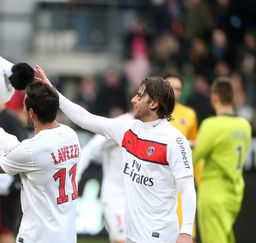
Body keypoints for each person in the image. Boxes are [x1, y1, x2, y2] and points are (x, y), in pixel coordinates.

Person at [35, 65, 196, 243]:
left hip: (160, 236)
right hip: (133, 234)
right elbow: (86, 119)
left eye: (140, 95)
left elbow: (187, 188)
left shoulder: (175, 141)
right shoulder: (127, 129)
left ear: (154, 103)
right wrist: (53, 91)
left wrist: (186, 231)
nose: (133, 100)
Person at [0, 82, 81, 243]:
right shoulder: (70, 134)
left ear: (31, 112)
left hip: (38, 235)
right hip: (67, 234)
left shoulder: (31, 150)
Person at [192, 78, 252, 243]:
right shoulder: (244, 125)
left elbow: (192, 159)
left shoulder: (211, 125)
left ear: (214, 98)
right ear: (233, 98)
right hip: (234, 193)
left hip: (213, 192)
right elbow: (224, 148)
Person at [77, 112, 133, 243]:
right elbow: (89, 150)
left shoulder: (152, 126)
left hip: (138, 196)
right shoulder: (118, 125)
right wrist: (74, 179)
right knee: (121, 239)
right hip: (116, 195)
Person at [0, 104, 27, 243]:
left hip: (5, 185)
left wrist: (14, 182)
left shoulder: (11, 120)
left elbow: (21, 150)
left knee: (3, 232)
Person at [163, 74, 199, 230]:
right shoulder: (151, 110)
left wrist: (198, 177)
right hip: (158, 176)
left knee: (184, 229)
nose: (174, 91)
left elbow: (195, 145)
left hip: (180, 177)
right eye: (171, 87)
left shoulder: (189, 114)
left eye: (178, 89)